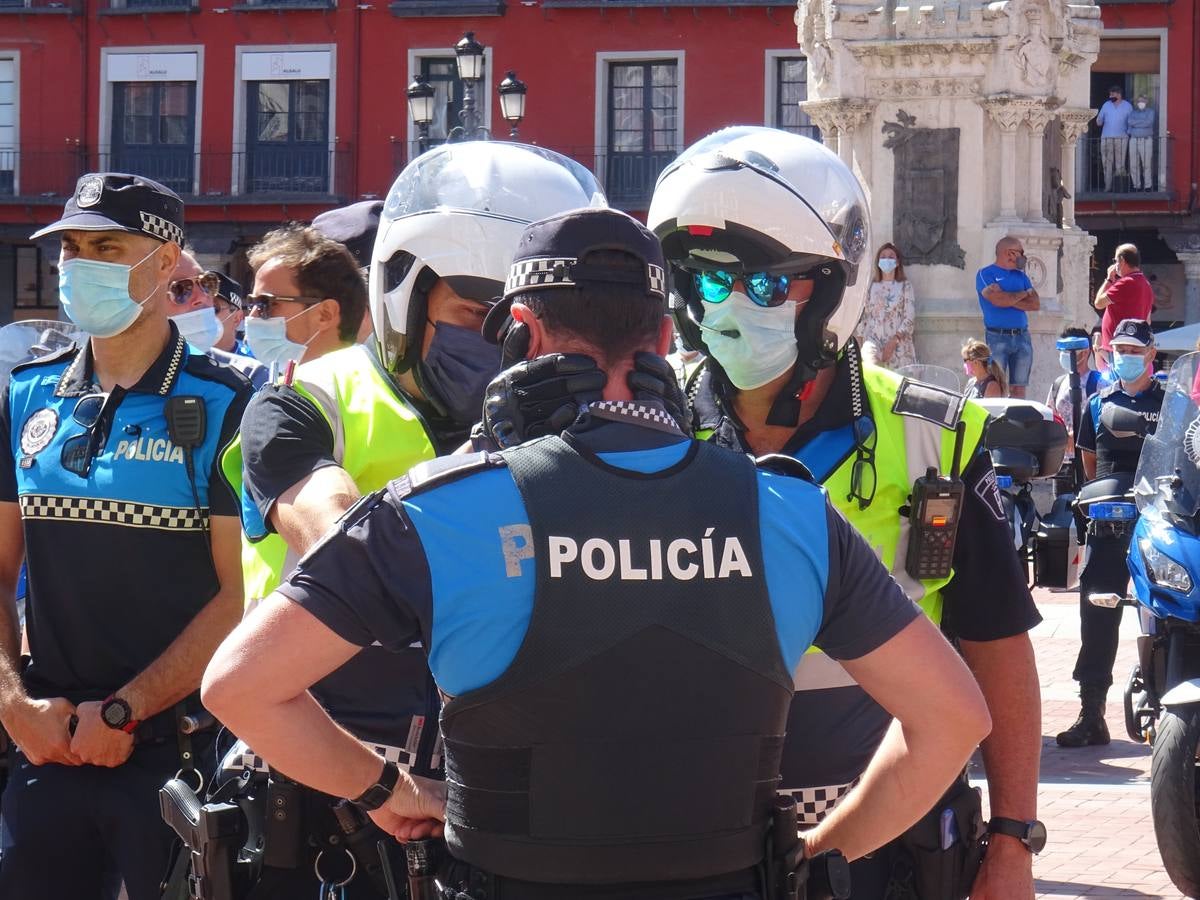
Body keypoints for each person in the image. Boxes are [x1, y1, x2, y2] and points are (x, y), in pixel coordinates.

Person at [202, 206, 992, 900]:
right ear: (659, 340)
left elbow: (240, 687)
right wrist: (818, 857)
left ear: (525, 337)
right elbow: (953, 719)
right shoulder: (787, 511)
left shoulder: (439, 511)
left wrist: (382, 788)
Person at [648, 127, 1044, 899]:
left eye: (767, 286)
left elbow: (996, 645)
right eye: (707, 282)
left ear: (835, 287)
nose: (729, 306)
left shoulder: (936, 433)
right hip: (693, 840)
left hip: (889, 841)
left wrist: (1013, 843)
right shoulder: (643, 425)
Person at [211, 143, 608, 898]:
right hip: (330, 799)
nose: (502, 349)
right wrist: (489, 459)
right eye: (473, 315)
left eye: (521, 329)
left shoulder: (572, 418)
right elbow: (334, 534)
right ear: (403, 293)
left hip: (504, 803)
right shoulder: (302, 401)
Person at [0, 173, 252, 899]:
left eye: (107, 246)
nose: (80, 266)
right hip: (46, 745)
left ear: (168, 258)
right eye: (70, 249)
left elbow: (240, 596)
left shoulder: (231, 400)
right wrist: (14, 704)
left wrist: (124, 710)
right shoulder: (26, 394)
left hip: (180, 752)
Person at [1058, 318, 1163, 748]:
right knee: (1097, 615)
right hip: (1107, 526)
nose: (1127, 356)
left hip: (1157, 526)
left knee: (1165, 618)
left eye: (1136, 350)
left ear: (1151, 354)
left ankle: (1168, 711)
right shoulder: (1099, 402)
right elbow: (1088, 463)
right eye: (1120, 348)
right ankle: (1091, 713)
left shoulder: (1171, 403)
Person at [165, 250, 268, 388]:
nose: (202, 296)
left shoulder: (250, 376)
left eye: (206, 283)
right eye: (180, 289)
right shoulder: (127, 372)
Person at [975, 235, 1039, 399]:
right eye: (1020, 252)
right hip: (997, 337)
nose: (1023, 257)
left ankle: (1017, 422)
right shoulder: (985, 274)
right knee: (996, 385)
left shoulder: (1021, 276)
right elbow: (996, 300)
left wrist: (1007, 298)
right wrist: (1022, 295)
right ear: (1010, 253)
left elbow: (1035, 304)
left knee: (1019, 388)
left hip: (1022, 337)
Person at [854, 243, 916, 370]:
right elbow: (864, 316)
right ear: (878, 262)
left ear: (897, 262)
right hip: (873, 342)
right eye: (883, 256)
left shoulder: (905, 286)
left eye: (891, 257)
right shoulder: (871, 286)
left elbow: (909, 317)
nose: (887, 259)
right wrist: (860, 345)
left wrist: (894, 341)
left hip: (898, 347)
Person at [1095, 243, 1153, 356]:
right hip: (1132, 346)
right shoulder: (1146, 284)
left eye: (1115, 260)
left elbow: (1098, 303)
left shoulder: (1126, 282)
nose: (1115, 265)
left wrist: (1109, 279)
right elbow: (1148, 319)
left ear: (1121, 260)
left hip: (1118, 348)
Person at [1096, 86, 1133, 192]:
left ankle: (1119, 187)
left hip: (1122, 138)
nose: (1110, 96)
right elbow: (1099, 120)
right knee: (1107, 163)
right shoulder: (1106, 105)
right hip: (1106, 137)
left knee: (1120, 163)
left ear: (1119, 94)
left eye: (1112, 94)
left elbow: (1131, 121)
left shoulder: (1127, 106)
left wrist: (1128, 133)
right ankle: (1108, 187)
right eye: (1110, 94)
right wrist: (1098, 121)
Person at [211, 270, 251, 356]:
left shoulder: (255, 365)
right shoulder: (181, 359)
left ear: (237, 318)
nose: (203, 313)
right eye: (199, 307)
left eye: (213, 308)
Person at [1127, 96, 1156, 191]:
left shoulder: (1150, 112)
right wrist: (1141, 122)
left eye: (1142, 101)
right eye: (1139, 101)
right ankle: (1136, 186)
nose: (1140, 103)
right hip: (1133, 140)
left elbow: (1148, 123)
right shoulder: (1133, 112)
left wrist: (1136, 124)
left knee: (1146, 164)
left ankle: (1148, 186)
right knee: (1133, 164)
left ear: (1146, 101)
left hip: (1146, 140)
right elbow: (1130, 122)